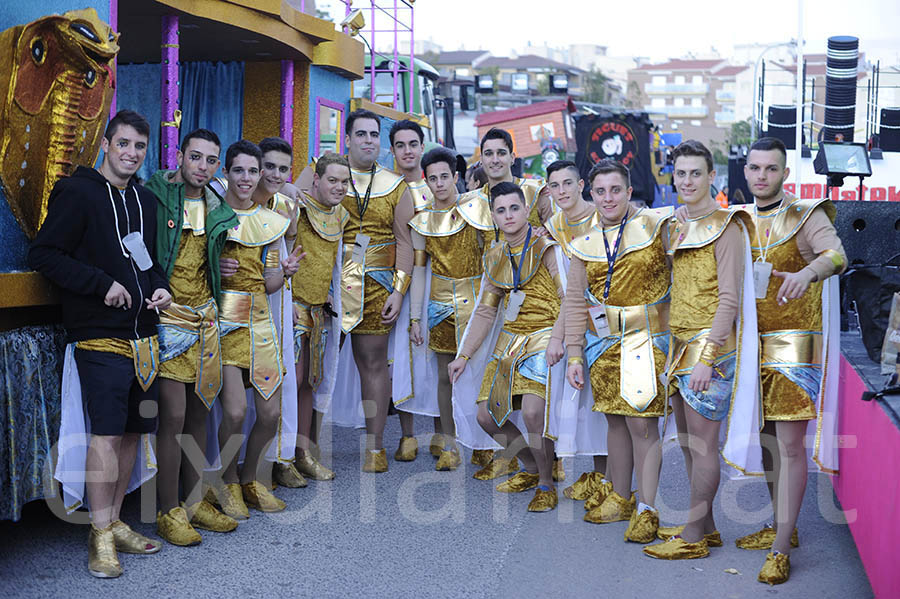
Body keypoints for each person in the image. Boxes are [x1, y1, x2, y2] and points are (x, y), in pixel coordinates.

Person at [28, 109, 173, 578]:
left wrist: (161, 286)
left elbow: (146, 262)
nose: (131, 153)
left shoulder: (147, 202)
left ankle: (113, 523)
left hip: (145, 337)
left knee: (133, 431)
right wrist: (99, 284)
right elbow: (45, 253)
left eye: (140, 147)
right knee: (106, 434)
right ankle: (98, 534)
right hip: (99, 335)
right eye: (124, 144)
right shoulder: (78, 191)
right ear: (106, 144)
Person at [734, 137, 846, 585]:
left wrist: (806, 272)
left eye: (771, 169)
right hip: (749, 345)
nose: (762, 176)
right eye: (755, 168)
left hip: (794, 343)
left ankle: (781, 548)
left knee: (790, 444)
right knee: (764, 439)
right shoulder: (736, 219)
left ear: (784, 173)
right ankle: (784, 527)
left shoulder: (805, 213)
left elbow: (836, 254)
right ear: (745, 171)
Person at [642, 140, 755, 560]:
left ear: (712, 177)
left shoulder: (727, 226)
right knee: (688, 442)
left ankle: (692, 535)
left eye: (695, 173)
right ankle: (704, 526)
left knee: (704, 444)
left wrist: (707, 358)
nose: (687, 181)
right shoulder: (674, 225)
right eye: (681, 173)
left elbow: (730, 299)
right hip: (678, 344)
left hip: (712, 349)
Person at [299, 109, 416, 472]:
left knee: (374, 364)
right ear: (347, 138)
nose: (368, 140)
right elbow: (292, 211)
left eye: (373, 134)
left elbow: (405, 241)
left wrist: (399, 290)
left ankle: (375, 448)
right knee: (315, 367)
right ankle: (307, 448)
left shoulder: (396, 185)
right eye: (361, 134)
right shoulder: (321, 170)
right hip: (328, 283)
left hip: (378, 286)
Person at [563, 159, 672, 542]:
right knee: (613, 420)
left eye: (615, 190)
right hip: (602, 344)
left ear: (628, 192)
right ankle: (621, 497)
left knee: (641, 423)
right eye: (600, 191)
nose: (608, 198)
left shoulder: (657, 228)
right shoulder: (584, 244)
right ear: (590, 195)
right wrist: (575, 353)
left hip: (646, 339)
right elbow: (575, 302)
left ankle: (648, 507)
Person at [145, 128, 240, 546]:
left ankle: (196, 499)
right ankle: (168, 511)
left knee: (201, 411)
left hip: (205, 319)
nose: (202, 166)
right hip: (168, 317)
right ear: (180, 156)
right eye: (195, 157)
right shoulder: (158, 194)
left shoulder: (218, 206)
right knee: (174, 414)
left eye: (210, 160)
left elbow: (212, 260)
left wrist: (224, 269)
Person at [448, 182, 567, 511]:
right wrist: (464, 356)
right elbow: (486, 311)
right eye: (501, 210)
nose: (508, 215)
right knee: (487, 417)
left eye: (514, 208)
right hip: (510, 339)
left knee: (532, 412)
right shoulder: (496, 256)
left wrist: (558, 339)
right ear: (494, 216)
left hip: (544, 335)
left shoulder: (546, 247)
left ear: (526, 210)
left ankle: (546, 481)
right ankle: (530, 467)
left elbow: (568, 297)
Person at [206, 140, 303, 518]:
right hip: (225, 323)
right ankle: (226, 481)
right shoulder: (212, 216)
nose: (247, 178)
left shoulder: (271, 221)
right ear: (226, 173)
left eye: (252, 171)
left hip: (261, 322)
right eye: (239, 170)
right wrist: (217, 266)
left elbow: (270, 281)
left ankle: (250, 480)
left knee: (269, 414)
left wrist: (285, 272)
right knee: (232, 412)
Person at [458, 128, 555, 471]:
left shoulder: (535, 192)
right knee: (488, 398)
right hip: (494, 297)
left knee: (534, 403)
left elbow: (562, 230)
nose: (495, 159)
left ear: (513, 156)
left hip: (541, 309)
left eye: (502, 153)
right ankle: (520, 460)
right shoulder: (470, 203)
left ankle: (546, 467)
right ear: (480, 158)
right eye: (489, 153)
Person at [407, 147, 488, 470]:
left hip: (477, 303)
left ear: (455, 177)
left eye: (445, 177)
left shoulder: (478, 209)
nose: (439, 184)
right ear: (425, 181)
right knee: (444, 375)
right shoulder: (422, 221)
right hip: (439, 306)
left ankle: (485, 444)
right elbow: (419, 271)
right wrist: (415, 317)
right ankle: (450, 445)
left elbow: (490, 258)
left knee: (480, 374)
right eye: (433, 178)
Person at [541, 160, 609, 498]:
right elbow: (569, 291)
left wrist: (558, 336)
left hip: (606, 317)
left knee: (605, 401)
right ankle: (597, 475)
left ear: (581, 184)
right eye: (555, 186)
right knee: (583, 401)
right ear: (549, 190)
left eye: (568, 183)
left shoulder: (602, 216)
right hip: (575, 316)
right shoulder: (554, 225)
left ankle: (608, 478)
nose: (562, 191)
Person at [287, 152, 351, 481]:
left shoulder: (341, 215)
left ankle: (302, 453)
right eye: (332, 180)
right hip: (291, 308)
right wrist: (289, 187)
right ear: (316, 179)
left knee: (310, 384)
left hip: (319, 313)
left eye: (344, 181)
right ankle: (279, 457)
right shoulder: (295, 204)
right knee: (290, 382)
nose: (339, 187)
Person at [388, 119, 442, 459]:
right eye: (400, 145)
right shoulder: (385, 189)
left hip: (439, 280)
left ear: (422, 147)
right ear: (392, 150)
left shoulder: (437, 187)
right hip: (401, 282)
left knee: (437, 355)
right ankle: (407, 435)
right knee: (405, 357)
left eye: (413, 144)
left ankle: (441, 434)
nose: (407, 150)